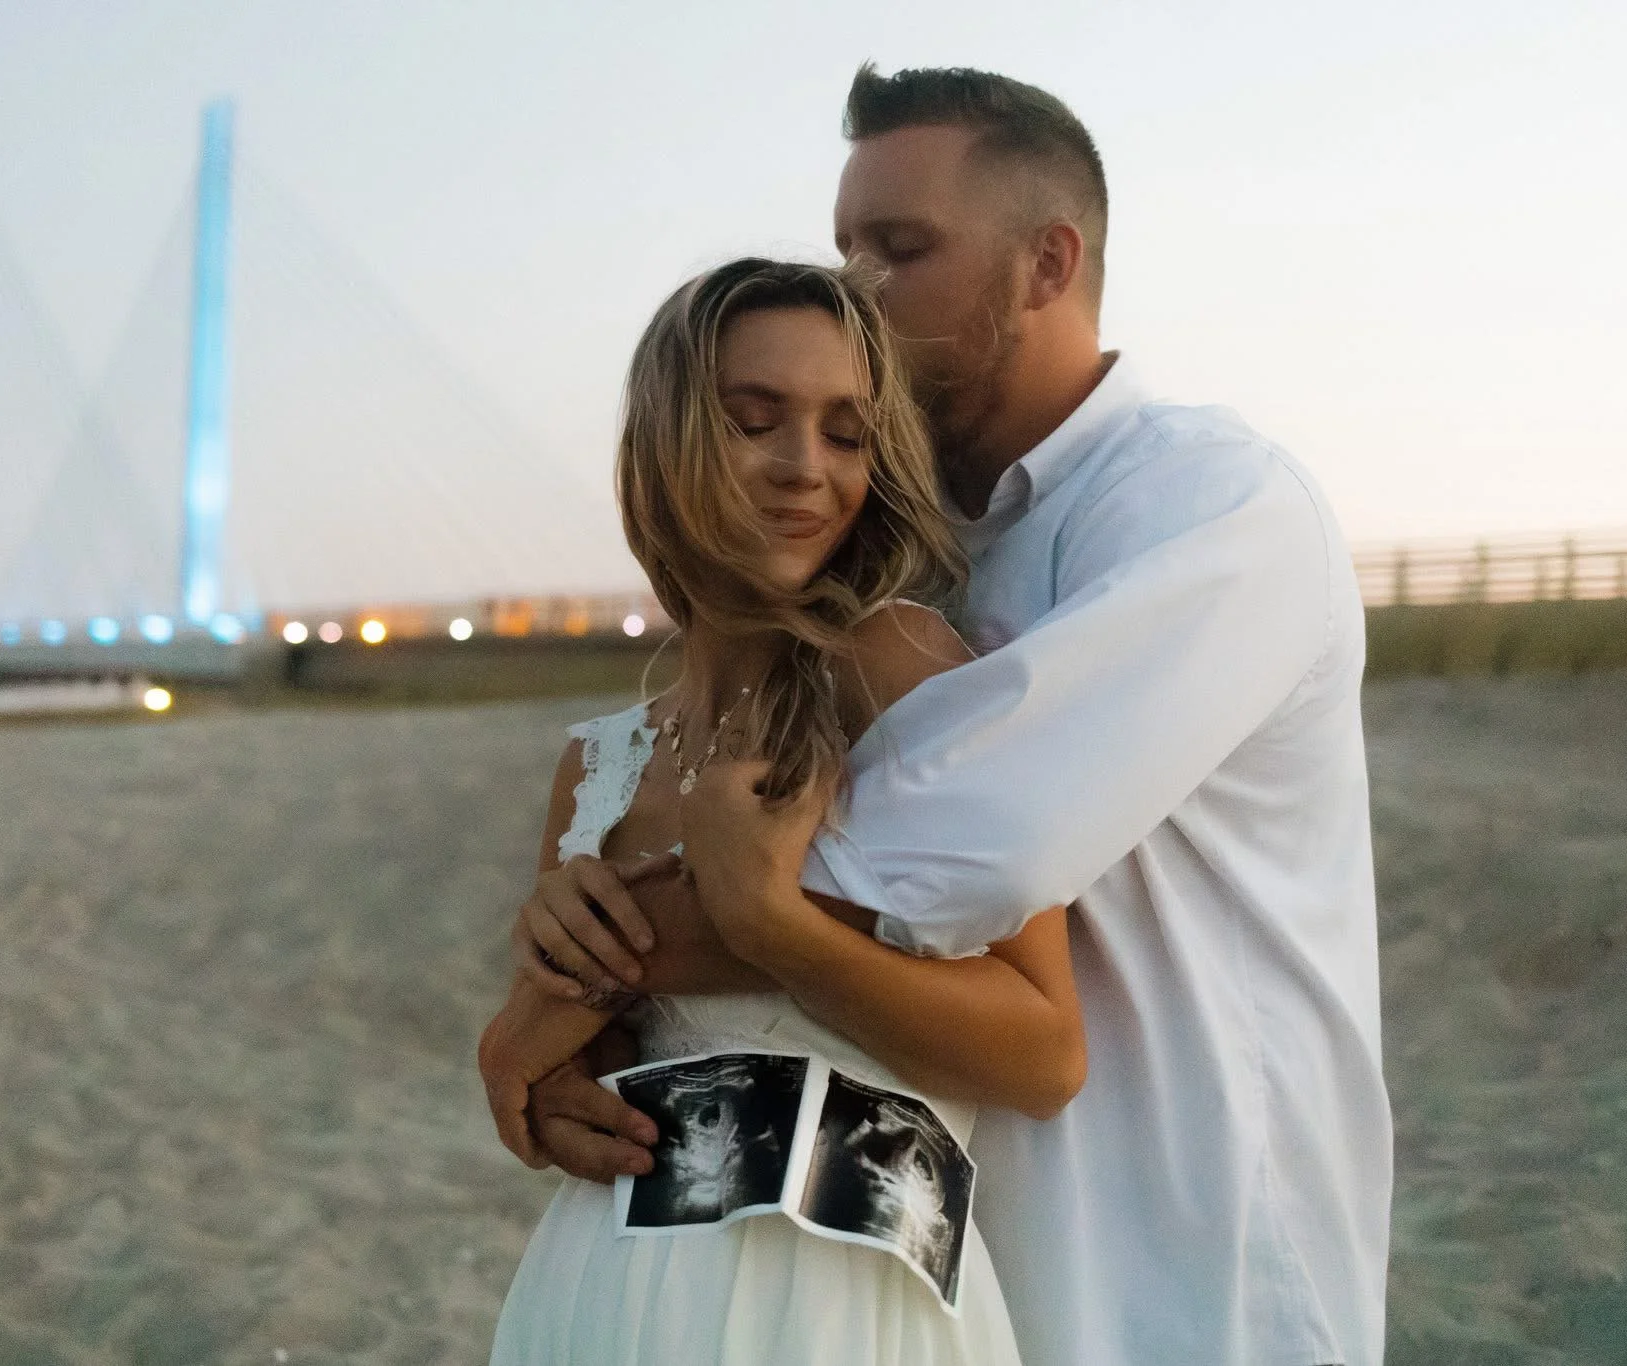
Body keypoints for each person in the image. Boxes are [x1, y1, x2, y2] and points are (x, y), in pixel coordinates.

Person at [503, 66, 1392, 1366]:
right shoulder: (924, 575)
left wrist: (561, 981)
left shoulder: (1212, 510)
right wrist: (561, 1042)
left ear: (1047, 264)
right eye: (847, 248)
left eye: (900, 250)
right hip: (928, 1245)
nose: (857, 290)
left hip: (1188, 1253)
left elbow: (956, 849)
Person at [481, 256, 1087, 1364]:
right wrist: (552, 1069)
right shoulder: (597, 767)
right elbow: (580, 1071)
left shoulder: (898, 668)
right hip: (609, 1290)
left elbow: (1042, 1052)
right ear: (663, 443)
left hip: (848, 1294)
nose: (804, 468)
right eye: (752, 421)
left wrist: (772, 927)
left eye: (847, 434)